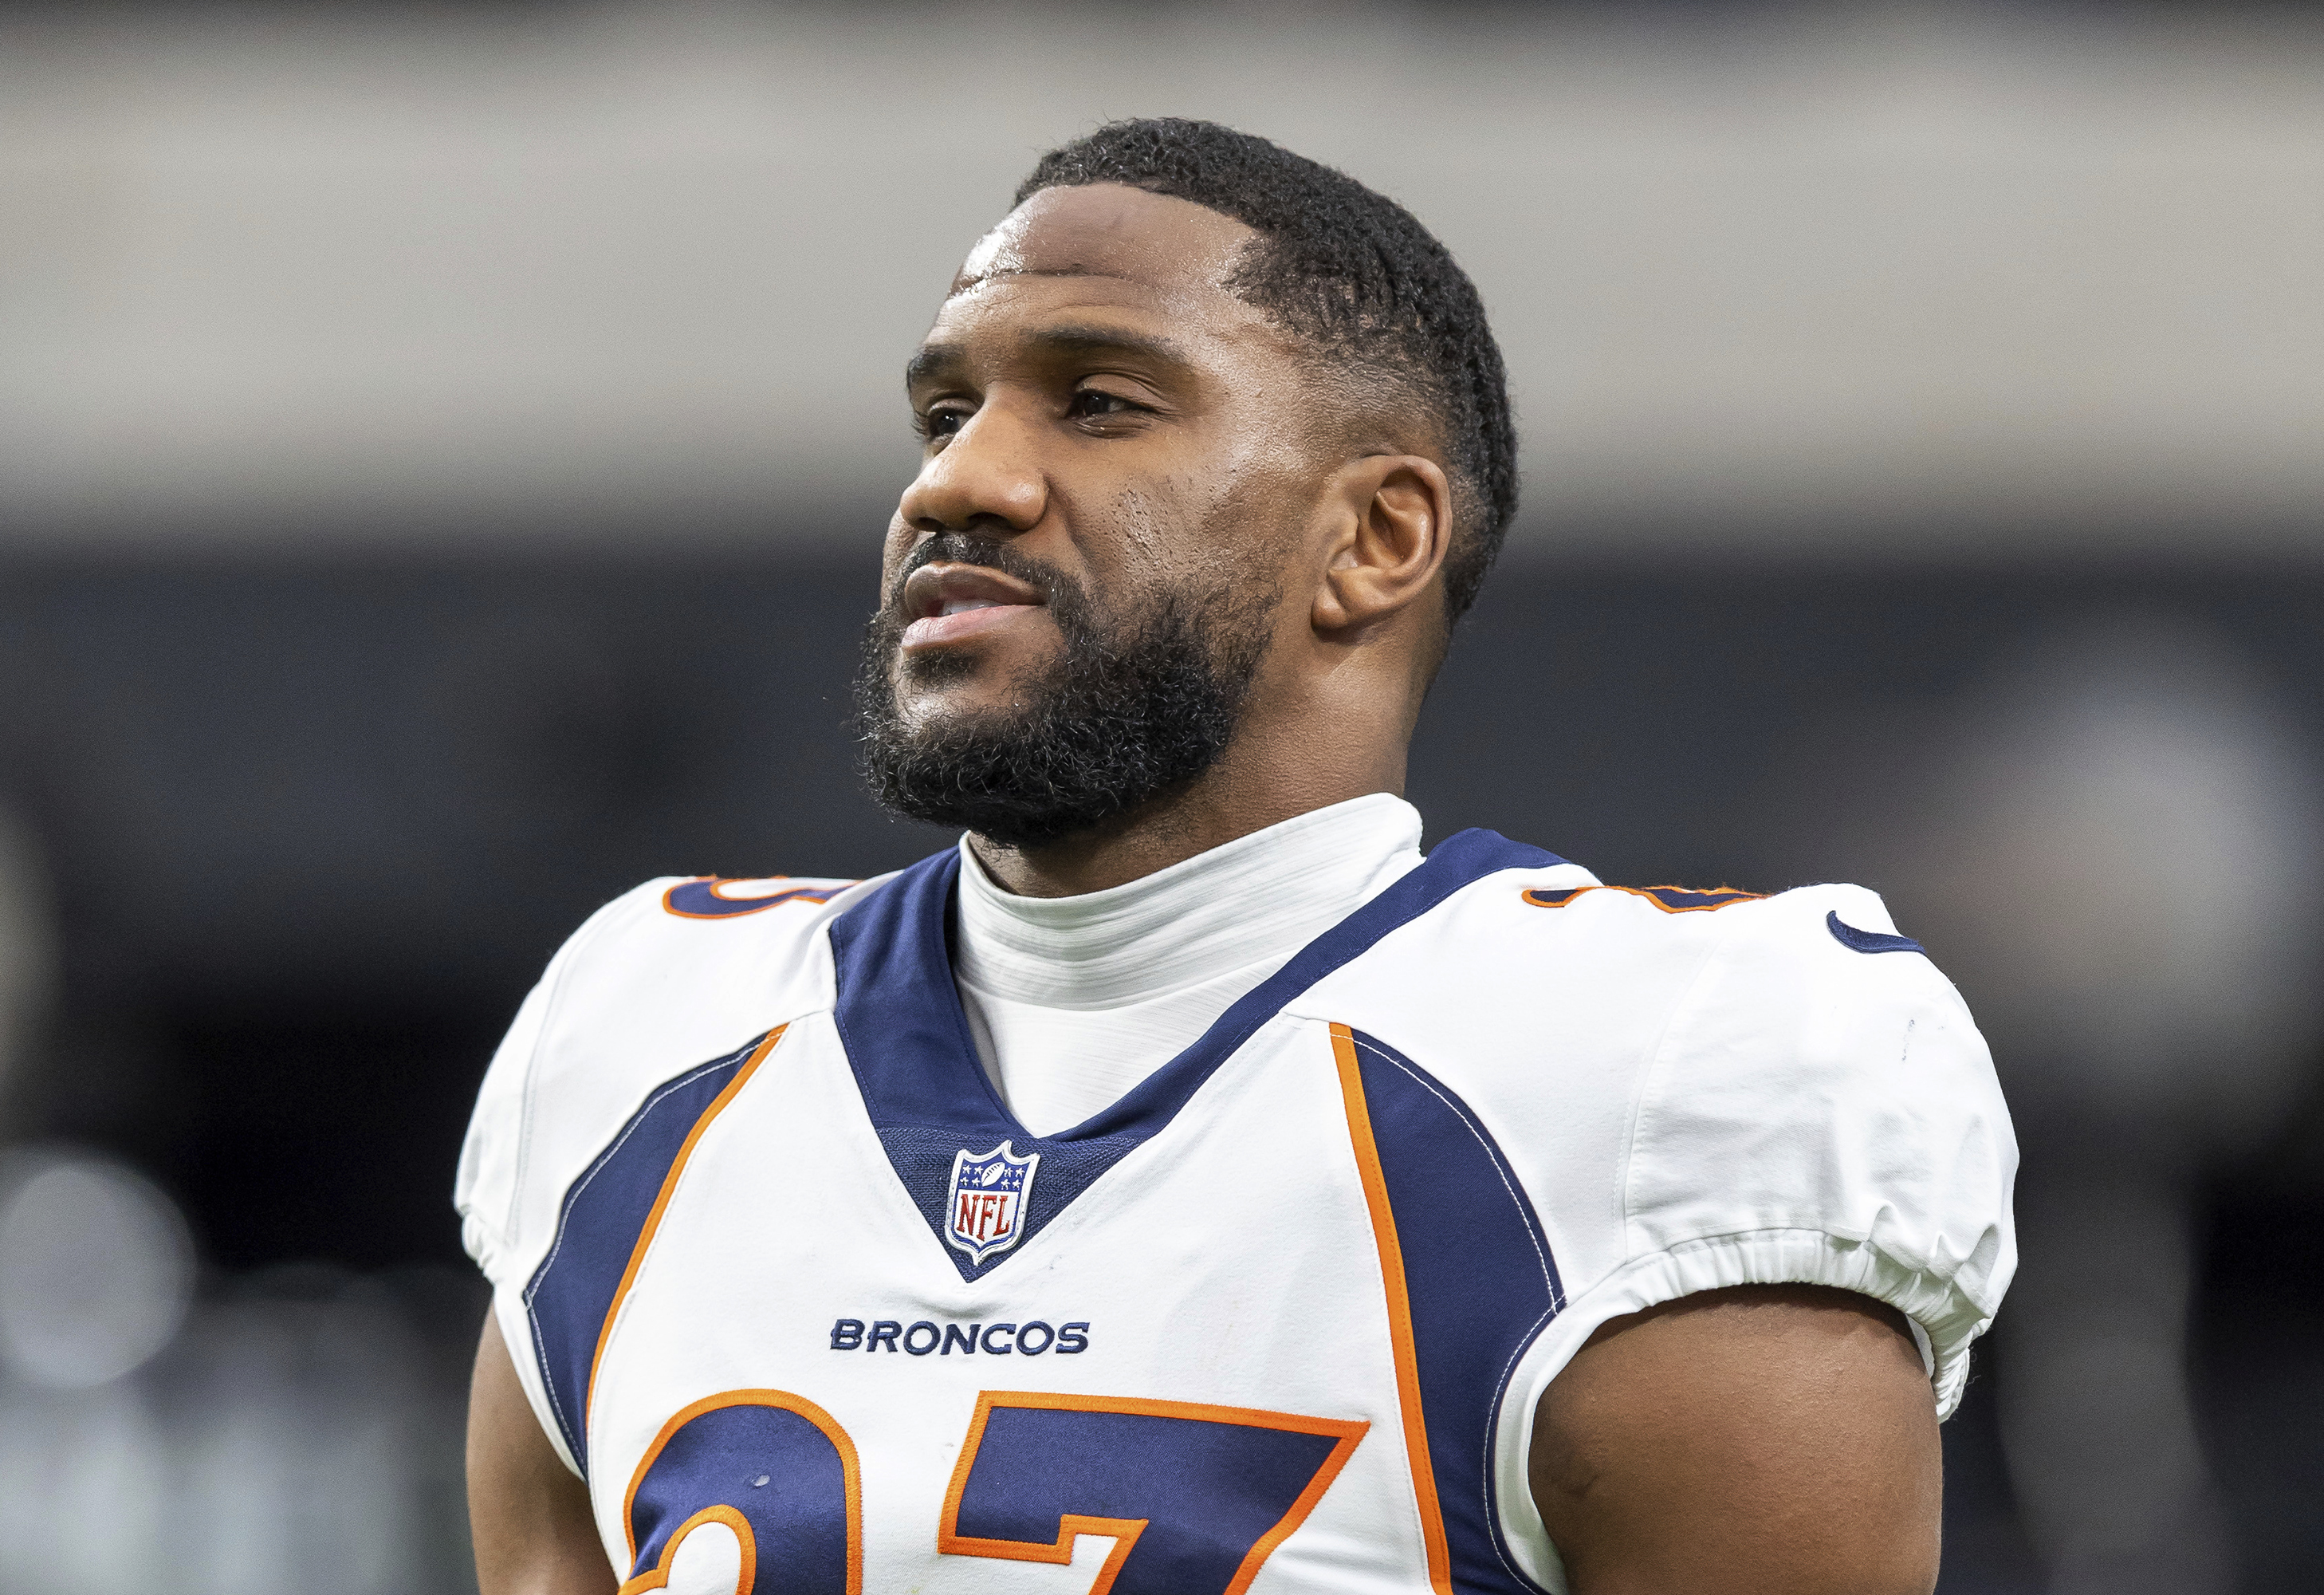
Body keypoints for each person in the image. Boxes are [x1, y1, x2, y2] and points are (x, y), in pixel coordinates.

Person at [457, 118, 2015, 1595]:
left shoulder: (1658, 1070)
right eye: (946, 413)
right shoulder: (644, 1037)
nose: (958, 480)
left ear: (1377, 538)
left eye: (1101, 402)